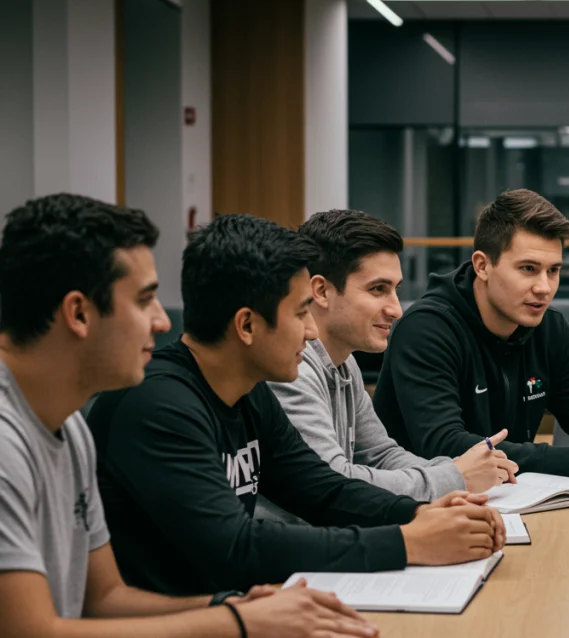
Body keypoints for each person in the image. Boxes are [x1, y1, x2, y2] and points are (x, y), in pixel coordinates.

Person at [0, 195, 378, 638]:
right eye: (144, 300)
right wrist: (236, 621)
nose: (162, 322)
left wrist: (236, 606)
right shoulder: (8, 442)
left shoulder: (69, 428)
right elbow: (31, 631)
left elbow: (103, 600)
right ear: (79, 313)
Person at [87, 214, 503, 598]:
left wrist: (422, 513)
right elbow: (236, 546)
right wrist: (406, 541)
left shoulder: (249, 390)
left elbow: (322, 490)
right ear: (247, 325)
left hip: (238, 605)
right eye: (301, 312)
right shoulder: (158, 406)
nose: (310, 331)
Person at [373, 189, 569, 477]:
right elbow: (443, 444)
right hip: (426, 497)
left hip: (514, 493)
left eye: (553, 270)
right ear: (482, 266)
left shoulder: (549, 327)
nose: (544, 288)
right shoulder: (425, 330)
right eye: (528, 269)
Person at [257, 210, 517, 524]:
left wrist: (460, 470)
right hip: (298, 546)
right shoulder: (292, 370)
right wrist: (454, 477)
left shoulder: (344, 362)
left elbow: (380, 454)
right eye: (378, 289)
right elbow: (334, 481)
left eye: (395, 290)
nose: (396, 309)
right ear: (321, 291)